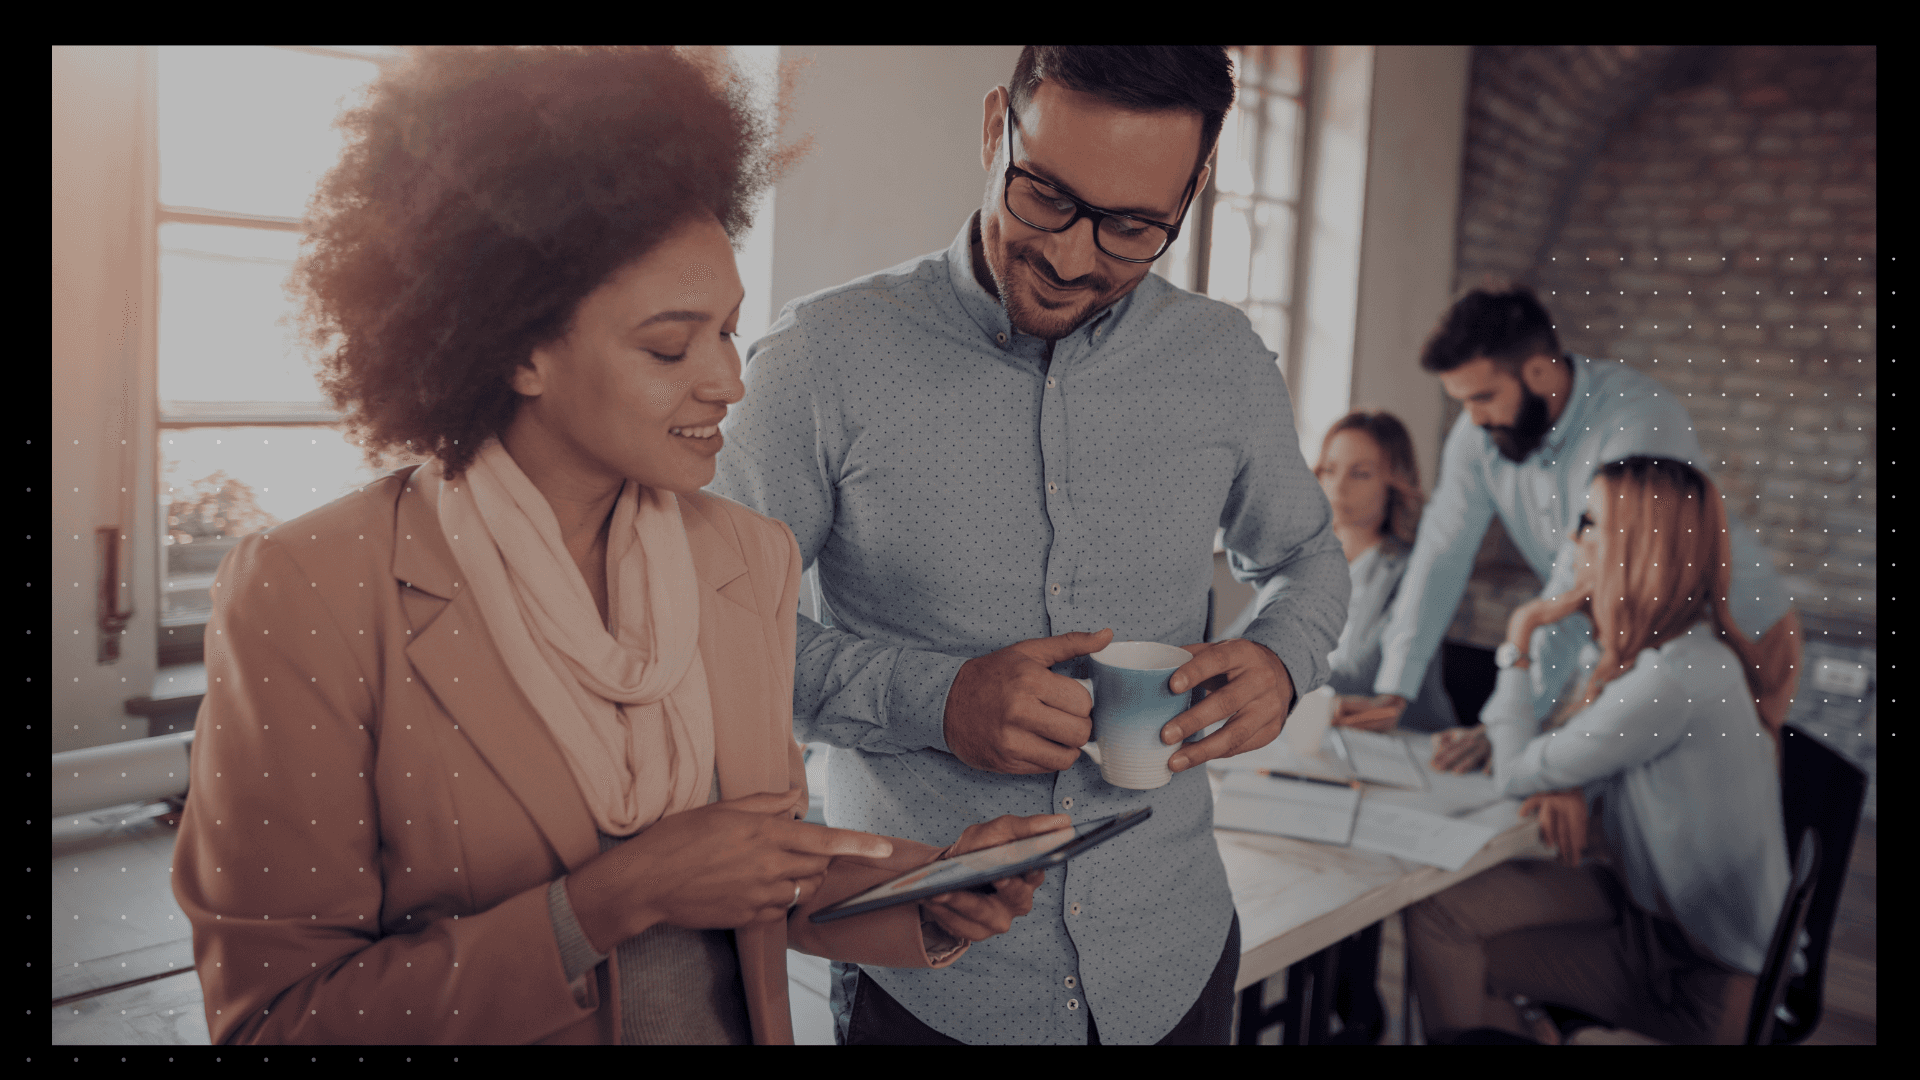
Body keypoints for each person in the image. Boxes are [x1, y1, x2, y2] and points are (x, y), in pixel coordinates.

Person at [171, 46, 1061, 1047]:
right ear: (516, 347)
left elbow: (755, 875)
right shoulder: (312, 592)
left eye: (729, 331)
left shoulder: (747, 560)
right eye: (669, 347)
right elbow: (277, 1021)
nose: (728, 382)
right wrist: (603, 903)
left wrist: (927, 894)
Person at [709, 46, 1349, 1045]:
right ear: (994, 125)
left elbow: (1308, 558)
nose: (1073, 257)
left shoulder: (1225, 364)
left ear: (1196, 187)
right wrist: (940, 701)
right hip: (929, 984)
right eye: (1045, 194)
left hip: (1172, 963)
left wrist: (1283, 659)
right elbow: (716, 641)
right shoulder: (817, 366)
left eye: (1134, 228)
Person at [1405, 456, 1793, 1044]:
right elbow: (1572, 746)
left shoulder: (1671, 681)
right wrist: (1564, 778)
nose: (1571, 537)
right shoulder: (1687, 650)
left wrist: (1520, 635)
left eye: (1589, 521)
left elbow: (1513, 771)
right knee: (1445, 913)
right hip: (1659, 917)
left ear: (1641, 544)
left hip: (1691, 973)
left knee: (1445, 931)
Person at [1368, 286, 1801, 775]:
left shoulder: (1638, 418)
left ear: (1537, 370)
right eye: (1463, 401)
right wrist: (1393, 689)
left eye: (1484, 396)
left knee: (1713, 802)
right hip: (1628, 634)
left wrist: (1508, 722)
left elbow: (1580, 577)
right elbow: (1439, 555)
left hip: (1737, 631)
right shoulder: (1482, 433)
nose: (1473, 417)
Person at [1223, 409, 1457, 734]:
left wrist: (1266, 666)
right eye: (1329, 470)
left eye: (1360, 474)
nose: (1338, 487)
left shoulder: (1414, 571)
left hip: (1405, 743)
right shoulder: (1301, 559)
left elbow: (1361, 679)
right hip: (1314, 730)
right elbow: (1239, 639)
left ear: (1394, 483)